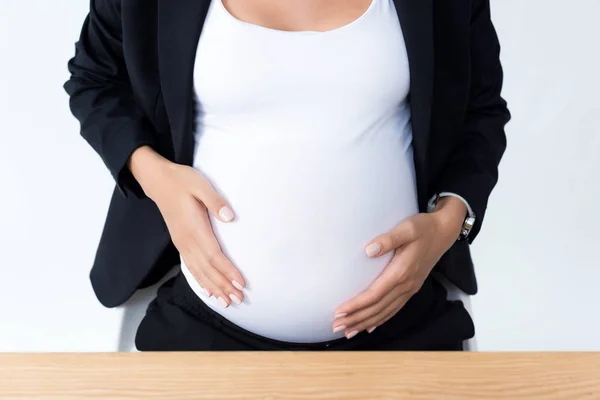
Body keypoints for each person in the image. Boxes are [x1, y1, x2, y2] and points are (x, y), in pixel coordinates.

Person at [64, 0, 510, 351]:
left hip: (404, 323)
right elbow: (95, 79)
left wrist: (449, 223)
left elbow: (481, 111)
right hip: (206, 326)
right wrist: (155, 177)